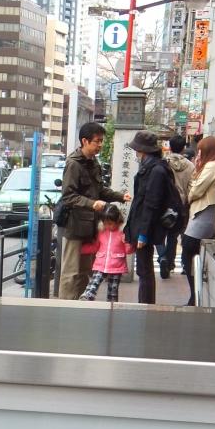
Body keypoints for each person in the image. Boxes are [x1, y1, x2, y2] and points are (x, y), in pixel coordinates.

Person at [58, 121, 131, 299]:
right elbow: (68, 196)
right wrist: (91, 204)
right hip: (75, 226)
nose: (100, 145)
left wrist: (120, 196)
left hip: (91, 227)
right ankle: (66, 306)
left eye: (101, 141)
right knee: (71, 272)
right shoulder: (73, 164)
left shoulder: (94, 162)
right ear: (85, 141)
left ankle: (82, 305)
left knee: (86, 270)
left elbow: (100, 190)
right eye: (97, 141)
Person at [122, 130, 177, 304]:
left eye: (137, 150)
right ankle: (146, 305)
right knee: (144, 270)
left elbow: (151, 204)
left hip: (146, 227)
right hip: (144, 224)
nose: (136, 154)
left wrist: (143, 234)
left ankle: (146, 307)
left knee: (144, 270)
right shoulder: (154, 167)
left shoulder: (156, 171)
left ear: (142, 150)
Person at [180, 135, 215, 305]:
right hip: (203, 215)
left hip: (202, 215)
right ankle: (195, 296)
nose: (198, 154)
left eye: (200, 151)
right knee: (192, 254)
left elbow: (195, 191)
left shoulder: (212, 167)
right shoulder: (212, 165)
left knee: (189, 252)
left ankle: (195, 296)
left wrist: (191, 192)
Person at [80, 205, 134, 302]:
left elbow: (128, 251)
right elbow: (95, 247)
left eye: (110, 223)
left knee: (113, 291)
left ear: (118, 221)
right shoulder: (102, 232)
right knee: (94, 282)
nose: (107, 226)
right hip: (100, 264)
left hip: (117, 265)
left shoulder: (122, 233)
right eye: (105, 223)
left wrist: (127, 242)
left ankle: (111, 305)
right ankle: (87, 297)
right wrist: (81, 249)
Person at [158, 135, 194, 280]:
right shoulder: (190, 166)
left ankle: (162, 256)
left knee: (159, 234)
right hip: (180, 206)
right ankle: (169, 263)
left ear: (170, 147)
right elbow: (191, 187)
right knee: (173, 236)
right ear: (183, 148)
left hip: (163, 203)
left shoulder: (163, 163)